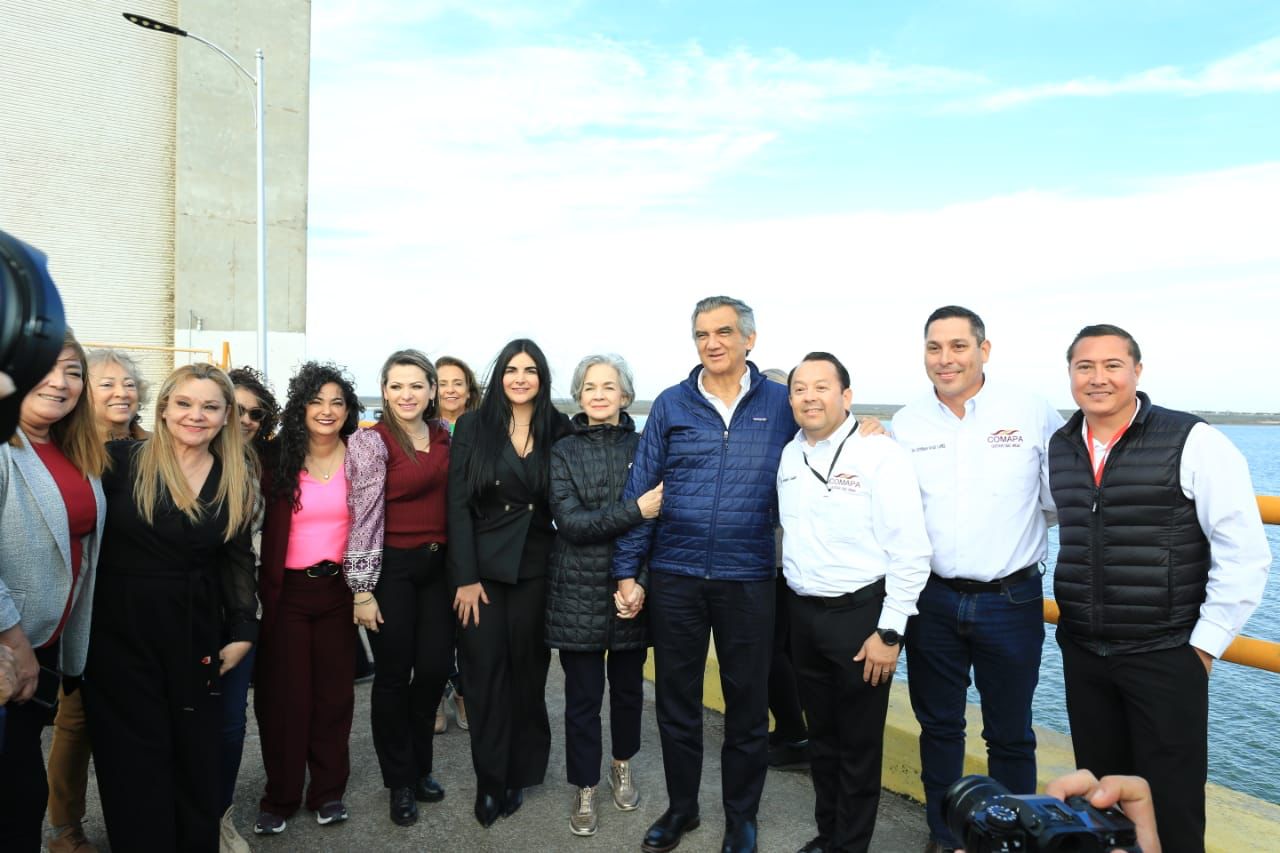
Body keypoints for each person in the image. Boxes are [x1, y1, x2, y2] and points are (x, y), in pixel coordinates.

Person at [612, 296, 871, 853]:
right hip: (676, 574)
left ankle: (741, 818)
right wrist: (627, 570)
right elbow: (642, 489)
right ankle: (682, 810)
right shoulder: (672, 403)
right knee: (676, 703)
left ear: (749, 339)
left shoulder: (781, 403)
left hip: (750, 577)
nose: (713, 343)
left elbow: (830, 436)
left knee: (748, 707)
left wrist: (868, 429)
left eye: (724, 332)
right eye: (702, 334)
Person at [1047, 324, 1270, 853]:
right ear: (1070, 374)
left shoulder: (1191, 440)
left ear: (1137, 371)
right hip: (1084, 651)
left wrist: (1204, 645)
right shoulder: (1061, 445)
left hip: (1165, 653)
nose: (1098, 378)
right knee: (1101, 803)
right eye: (1084, 366)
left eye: (1112, 365)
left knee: (1172, 805)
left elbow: (1243, 550)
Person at [891, 306, 1064, 853]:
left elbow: (1056, 498)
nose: (945, 359)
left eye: (958, 346)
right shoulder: (906, 423)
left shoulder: (1030, 410)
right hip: (933, 599)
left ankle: (1010, 841)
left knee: (1010, 733)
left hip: (1010, 598)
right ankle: (946, 836)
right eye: (934, 347)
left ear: (983, 350)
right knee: (940, 728)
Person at [83, 362, 257, 853]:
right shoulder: (118, 462)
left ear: (226, 416)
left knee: (194, 754)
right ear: (162, 409)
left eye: (210, 407)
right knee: (132, 761)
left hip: (194, 632)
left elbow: (237, 557)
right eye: (184, 403)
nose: (195, 415)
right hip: (120, 634)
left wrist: (244, 628)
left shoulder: (234, 477)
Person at [778, 352, 932, 853]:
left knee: (859, 744)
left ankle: (851, 845)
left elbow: (911, 551)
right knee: (822, 740)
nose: (809, 397)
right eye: (799, 388)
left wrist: (890, 631)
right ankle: (829, 836)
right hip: (803, 614)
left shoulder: (880, 453)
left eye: (821, 387)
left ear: (846, 396)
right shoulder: (789, 455)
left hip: (860, 616)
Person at [447, 339, 572, 827]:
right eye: (511, 370)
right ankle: (489, 780)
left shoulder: (559, 427)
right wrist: (465, 576)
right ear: (499, 376)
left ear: (542, 378)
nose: (520, 378)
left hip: (536, 567)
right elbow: (457, 505)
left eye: (530, 370)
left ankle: (520, 773)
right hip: (480, 571)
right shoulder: (473, 426)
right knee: (483, 675)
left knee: (527, 673)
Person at [546, 354, 662, 837]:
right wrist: (635, 510)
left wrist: (640, 583)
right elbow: (571, 524)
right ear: (579, 395)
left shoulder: (646, 446)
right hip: (576, 591)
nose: (598, 394)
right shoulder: (563, 451)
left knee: (630, 693)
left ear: (625, 396)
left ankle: (622, 765)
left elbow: (662, 525)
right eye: (590, 386)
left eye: (608, 386)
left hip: (632, 590)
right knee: (582, 699)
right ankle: (584, 785)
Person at [0, 331, 107, 853]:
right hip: (10, 645)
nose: (60, 382)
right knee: (16, 791)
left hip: (44, 645)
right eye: (45, 368)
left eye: (72, 371)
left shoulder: (72, 448)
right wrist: (14, 641)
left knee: (21, 789)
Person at [43, 347, 147, 853]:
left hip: (144, 603)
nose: (121, 392)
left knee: (139, 717)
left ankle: (140, 818)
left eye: (129, 384)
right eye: (106, 383)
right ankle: (65, 828)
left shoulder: (157, 446)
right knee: (76, 719)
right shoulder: (68, 451)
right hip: (87, 604)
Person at [344, 350, 452, 827]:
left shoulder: (446, 436)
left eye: (416, 385)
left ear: (432, 390)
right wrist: (361, 588)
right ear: (385, 392)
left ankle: (422, 766)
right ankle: (400, 781)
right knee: (393, 675)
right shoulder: (372, 442)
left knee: (433, 670)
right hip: (393, 569)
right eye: (396, 386)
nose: (406, 395)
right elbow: (362, 515)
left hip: (440, 568)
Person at [253, 362, 361, 834]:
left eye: (337, 402)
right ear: (300, 407)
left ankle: (328, 792)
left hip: (339, 590)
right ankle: (280, 796)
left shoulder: (361, 456)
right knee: (286, 698)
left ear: (349, 410)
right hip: (287, 593)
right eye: (316, 401)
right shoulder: (275, 458)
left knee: (334, 696)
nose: (327, 410)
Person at [218, 366, 280, 852]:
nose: (245, 420)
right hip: (180, 610)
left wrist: (246, 618)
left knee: (231, 723)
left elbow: (244, 548)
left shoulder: (257, 466)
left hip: (239, 608)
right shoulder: (172, 458)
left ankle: (219, 816)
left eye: (256, 414)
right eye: (236, 409)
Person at [761, 367, 809, 772]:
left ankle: (795, 734)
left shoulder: (799, 443)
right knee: (783, 652)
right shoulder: (791, 440)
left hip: (781, 563)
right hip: (778, 562)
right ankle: (790, 730)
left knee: (774, 652)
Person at [433, 354, 481, 733]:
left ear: (469, 390)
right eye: (443, 383)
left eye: (457, 382)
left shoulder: (483, 429)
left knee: (470, 627)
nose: (450, 390)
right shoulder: (421, 429)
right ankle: (436, 693)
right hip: (432, 538)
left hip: (472, 539)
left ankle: (464, 692)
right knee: (434, 629)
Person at [85, 348, 150, 440]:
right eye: (107, 385)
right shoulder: (68, 445)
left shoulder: (160, 445)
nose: (122, 393)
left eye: (129, 385)